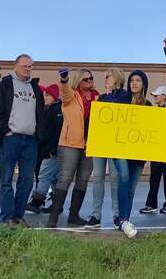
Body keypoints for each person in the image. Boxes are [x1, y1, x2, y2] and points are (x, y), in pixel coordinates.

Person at [0, 54, 45, 227]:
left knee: (27, 181)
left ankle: (18, 217)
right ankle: (7, 218)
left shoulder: (35, 88)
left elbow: (40, 113)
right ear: (15, 66)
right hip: (10, 139)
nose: (28, 69)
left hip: (30, 140)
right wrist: (5, 131)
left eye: (30, 66)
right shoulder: (5, 85)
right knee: (6, 180)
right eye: (24, 66)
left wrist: (38, 134)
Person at [47, 68, 99, 228]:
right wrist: (64, 80)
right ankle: (53, 216)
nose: (89, 81)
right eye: (85, 79)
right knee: (65, 177)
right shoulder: (71, 95)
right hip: (70, 143)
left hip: (90, 143)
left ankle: (74, 215)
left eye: (90, 78)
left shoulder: (97, 97)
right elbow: (65, 91)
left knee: (83, 180)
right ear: (78, 81)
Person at [86, 68, 127, 229]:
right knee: (98, 177)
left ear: (117, 78)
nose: (106, 80)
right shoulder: (101, 98)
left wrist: (112, 94)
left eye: (108, 77)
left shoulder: (124, 96)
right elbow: (94, 119)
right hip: (100, 141)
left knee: (115, 178)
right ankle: (96, 215)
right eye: (105, 77)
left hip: (115, 143)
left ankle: (117, 214)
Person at [113, 70, 151, 238]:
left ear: (144, 84)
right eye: (132, 80)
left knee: (131, 187)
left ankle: (125, 221)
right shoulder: (121, 101)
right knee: (124, 177)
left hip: (138, 153)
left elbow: (152, 131)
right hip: (120, 149)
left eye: (138, 80)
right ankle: (122, 220)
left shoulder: (148, 106)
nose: (134, 83)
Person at [28, 82, 62, 215]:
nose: (45, 97)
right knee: (54, 177)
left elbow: (56, 132)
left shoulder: (56, 111)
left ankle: (37, 201)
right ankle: (57, 204)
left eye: (47, 95)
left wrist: (52, 148)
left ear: (54, 96)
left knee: (44, 174)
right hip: (48, 148)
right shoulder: (50, 109)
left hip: (51, 150)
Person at [141, 85, 166, 215]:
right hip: (156, 149)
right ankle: (151, 204)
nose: (155, 97)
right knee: (154, 177)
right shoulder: (155, 111)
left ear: (164, 96)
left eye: (157, 95)